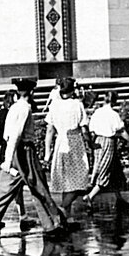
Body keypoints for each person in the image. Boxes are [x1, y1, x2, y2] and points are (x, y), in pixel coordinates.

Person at [0, 78, 70, 242]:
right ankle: (54, 222)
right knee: (38, 185)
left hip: (14, 149)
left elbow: (7, 134)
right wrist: (9, 158)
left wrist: (7, 158)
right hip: (24, 150)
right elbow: (17, 134)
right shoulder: (25, 108)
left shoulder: (13, 107)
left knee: (6, 186)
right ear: (31, 92)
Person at [45, 77, 92, 213]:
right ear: (72, 91)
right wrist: (90, 143)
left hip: (60, 142)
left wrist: (47, 152)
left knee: (66, 180)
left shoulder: (54, 105)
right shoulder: (77, 104)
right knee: (79, 181)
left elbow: (49, 130)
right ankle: (62, 208)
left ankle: (66, 215)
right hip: (75, 142)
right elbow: (84, 128)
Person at [0, 90, 34, 231]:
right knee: (13, 187)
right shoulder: (20, 110)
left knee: (9, 186)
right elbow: (16, 135)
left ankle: (20, 215)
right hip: (15, 153)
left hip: (4, 153)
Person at [85, 90, 129, 211]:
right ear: (114, 101)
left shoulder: (97, 112)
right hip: (108, 142)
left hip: (97, 141)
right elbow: (122, 131)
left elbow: (91, 129)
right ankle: (90, 196)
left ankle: (119, 198)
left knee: (115, 170)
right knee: (105, 170)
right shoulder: (113, 114)